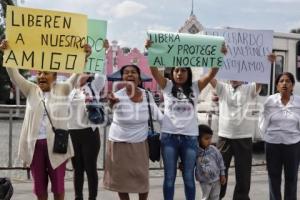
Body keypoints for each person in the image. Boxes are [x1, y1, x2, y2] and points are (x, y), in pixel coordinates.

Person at [0, 39, 91, 200]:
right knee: (39, 188)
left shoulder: (63, 89)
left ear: (54, 77)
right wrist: (6, 53)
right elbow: (14, 74)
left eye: (46, 73)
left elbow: (76, 73)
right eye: (39, 73)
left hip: (57, 146)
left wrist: (84, 56)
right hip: (35, 146)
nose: (41, 76)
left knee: (58, 188)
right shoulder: (31, 89)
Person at [145, 40, 227, 200]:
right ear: (172, 73)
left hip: (190, 139)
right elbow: (154, 71)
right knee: (169, 178)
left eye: (183, 70)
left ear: (188, 73)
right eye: (176, 70)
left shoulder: (196, 87)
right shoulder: (167, 86)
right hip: (169, 138)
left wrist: (219, 56)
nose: (179, 73)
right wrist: (150, 50)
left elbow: (211, 73)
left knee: (189, 178)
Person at [209, 54, 275, 200]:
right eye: (231, 73)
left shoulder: (249, 88)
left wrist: (268, 64)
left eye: (238, 73)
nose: (234, 77)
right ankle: (216, 196)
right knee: (220, 171)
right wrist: (216, 58)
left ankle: (241, 198)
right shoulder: (223, 88)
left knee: (243, 174)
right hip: (224, 137)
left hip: (244, 137)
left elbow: (260, 80)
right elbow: (210, 77)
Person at [103, 64, 163, 200]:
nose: (130, 75)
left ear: (139, 78)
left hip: (140, 145)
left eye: (133, 72)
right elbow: (110, 111)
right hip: (118, 144)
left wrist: (174, 130)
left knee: (142, 180)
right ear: (122, 78)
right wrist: (111, 104)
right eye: (126, 73)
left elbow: (160, 117)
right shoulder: (116, 96)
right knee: (121, 181)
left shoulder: (147, 96)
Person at [68, 41, 108, 200]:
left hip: (90, 133)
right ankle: (78, 197)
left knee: (90, 168)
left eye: (86, 71)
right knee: (77, 168)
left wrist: (104, 52)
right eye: (80, 70)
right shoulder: (69, 89)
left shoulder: (94, 86)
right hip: (72, 133)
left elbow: (102, 73)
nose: (83, 73)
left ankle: (92, 198)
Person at [259, 72, 300, 200]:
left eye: (288, 81)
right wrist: (266, 138)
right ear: (277, 86)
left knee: (291, 178)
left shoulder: (299, 102)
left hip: (293, 145)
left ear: (292, 85)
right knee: (273, 177)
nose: (284, 84)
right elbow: (262, 122)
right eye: (281, 81)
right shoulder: (270, 101)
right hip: (273, 145)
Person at [195, 124, 226, 200]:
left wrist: (222, 174)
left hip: (216, 180)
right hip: (204, 181)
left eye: (210, 138)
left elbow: (221, 162)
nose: (209, 141)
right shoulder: (195, 152)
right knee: (205, 197)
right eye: (206, 138)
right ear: (198, 139)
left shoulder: (214, 149)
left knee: (215, 197)